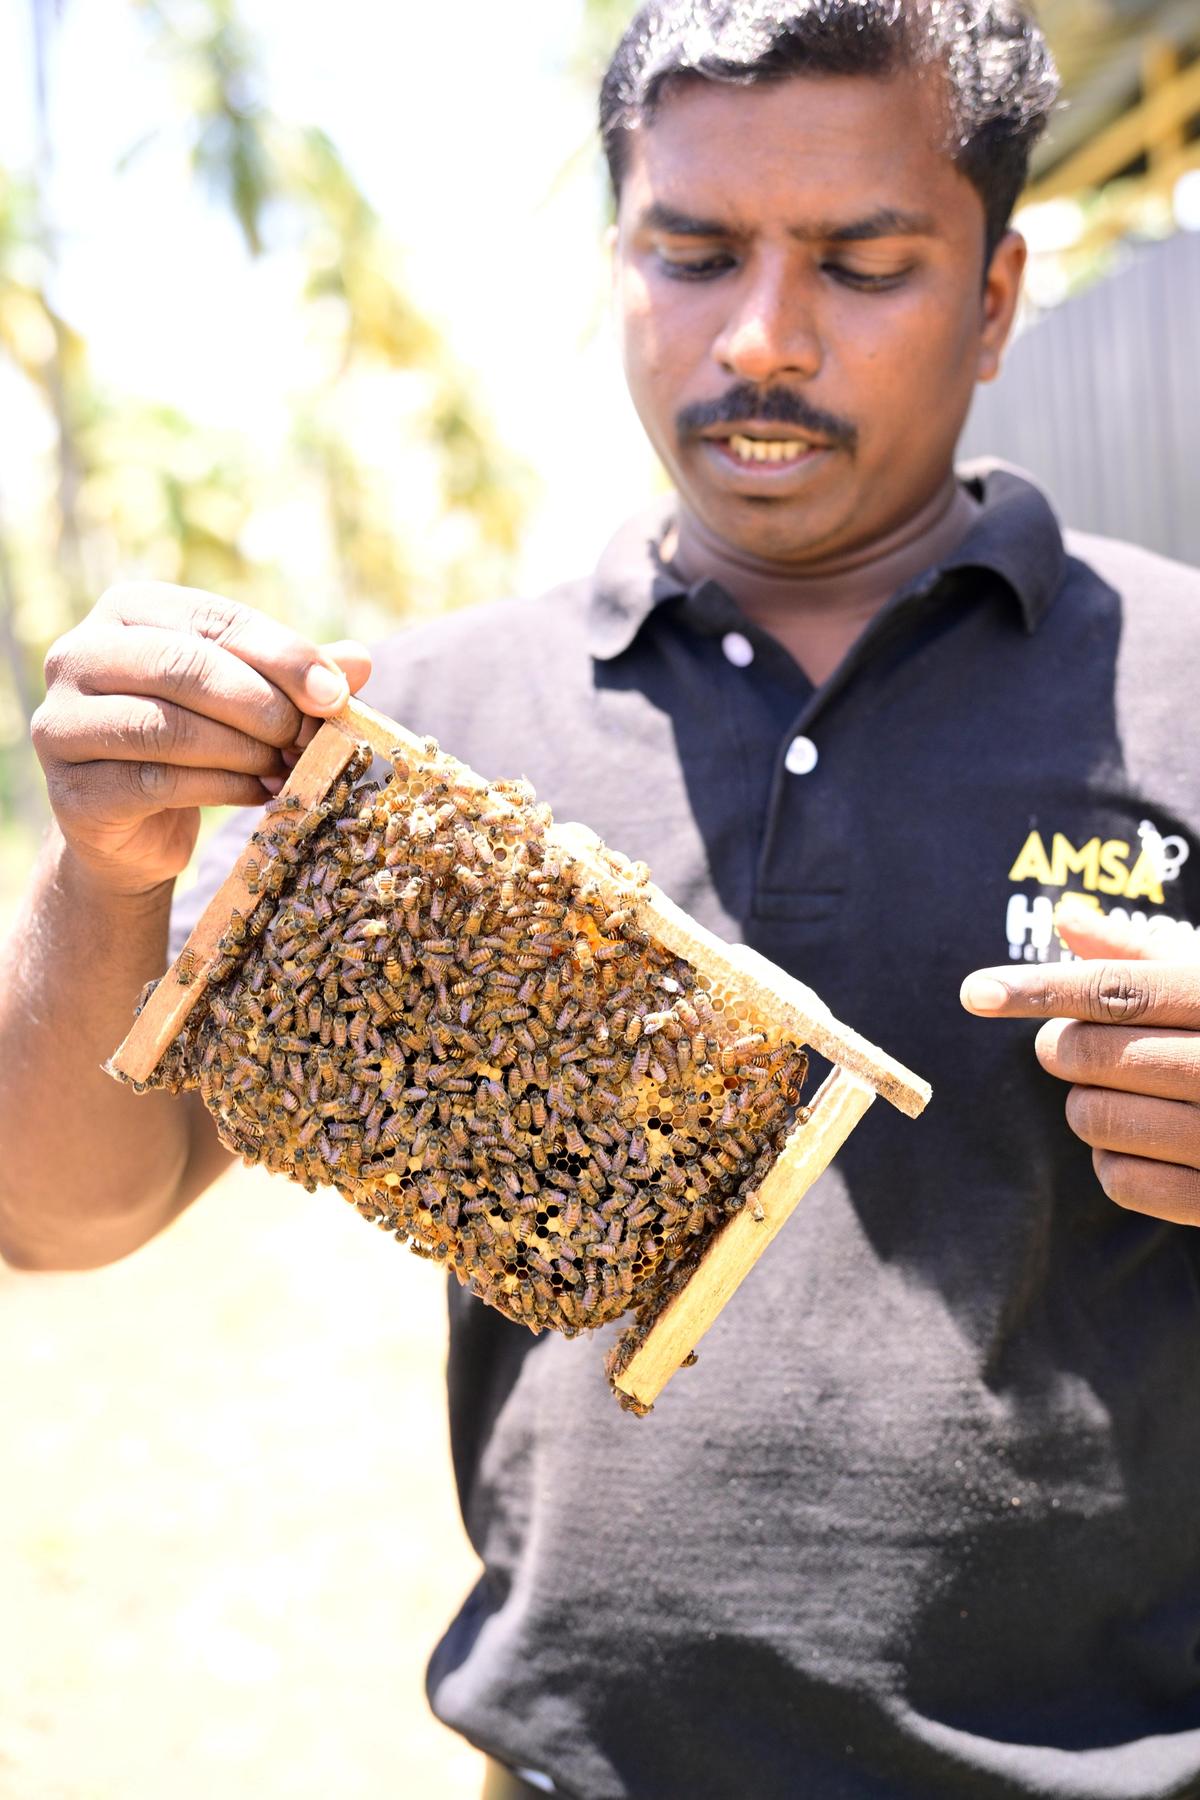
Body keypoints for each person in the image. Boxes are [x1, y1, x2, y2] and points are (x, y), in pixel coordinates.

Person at [4, 1, 1200, 1794]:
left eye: (865, 263)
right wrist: (108, 877)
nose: (763, 336)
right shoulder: (421, 717)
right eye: (694, 253)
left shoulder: (1183, 677)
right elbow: (65, 1218)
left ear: (999, 294)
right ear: (622, 256)